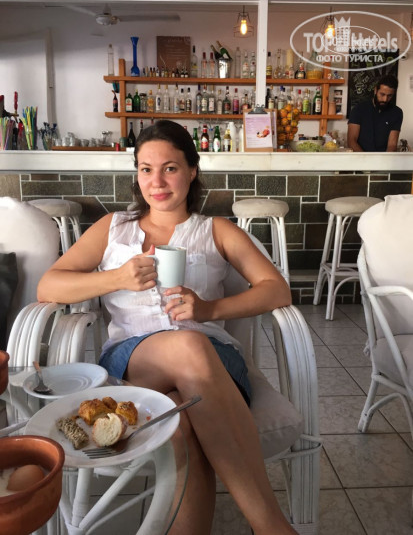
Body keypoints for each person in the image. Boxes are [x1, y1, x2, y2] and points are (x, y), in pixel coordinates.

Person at [38, 120, 296, 535]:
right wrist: (116, 278)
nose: (156, 182)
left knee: (181, 426)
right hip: (134, 359)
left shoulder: (216, 230)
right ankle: (273, 527)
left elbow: (277, 290)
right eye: (146, 169)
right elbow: (49, 285)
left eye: (170, 168)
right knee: (188, 347)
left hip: (215, 363)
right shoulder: (114, 228)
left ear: (192, 171)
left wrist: (209, 309)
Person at [347, 74, 403, 152]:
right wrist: (366, 159)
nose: (385, 99)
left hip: (384, 158)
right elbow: (351, 141)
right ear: (376, 90)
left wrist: (385, 159)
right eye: (382, 94)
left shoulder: (396, 112)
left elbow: (392, 145)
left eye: (389, 96)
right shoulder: (358, 109)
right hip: (361, 156)